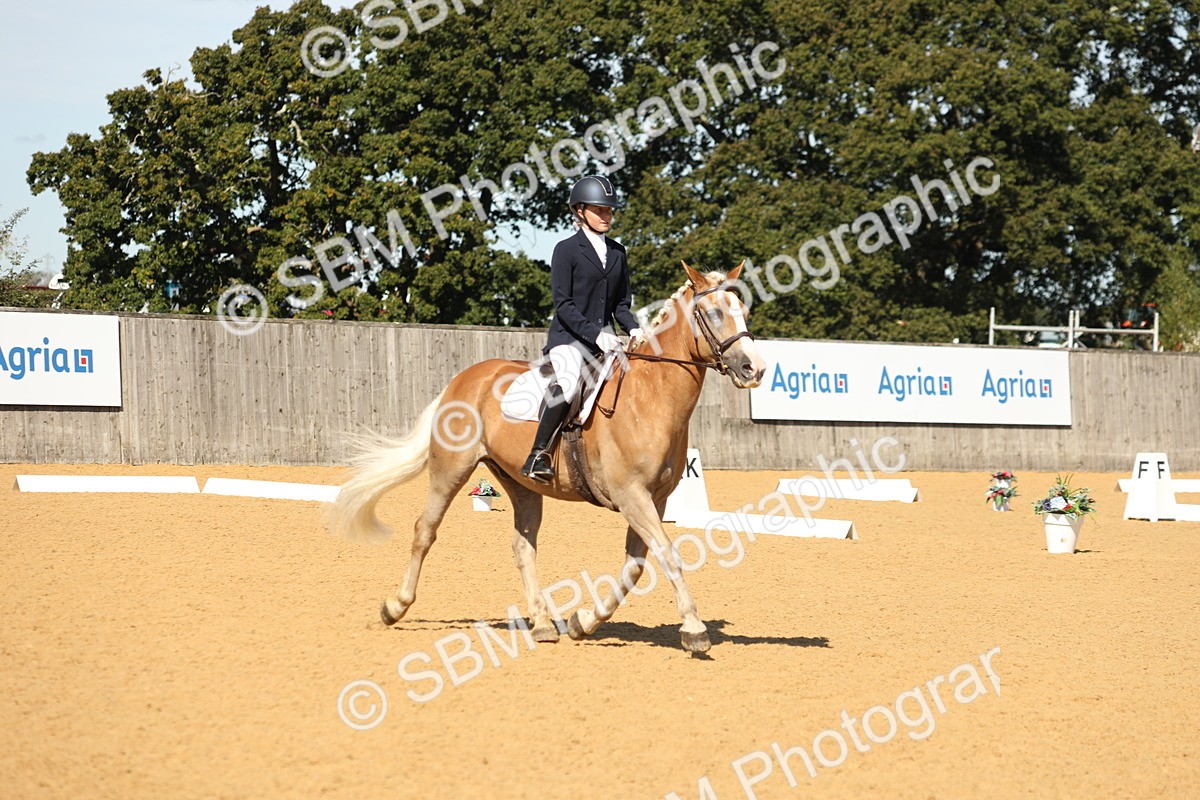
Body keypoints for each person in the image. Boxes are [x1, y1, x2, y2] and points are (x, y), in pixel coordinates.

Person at [520, 175, 642, 483]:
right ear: (579, 211)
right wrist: (595, 333)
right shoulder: (566, 250)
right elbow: (564, 305)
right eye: (599, 210)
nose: (606, 216)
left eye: (609, 211)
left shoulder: (618, 252)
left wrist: (635, 328)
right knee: (571, 382)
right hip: (569, 340)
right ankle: (538, 455)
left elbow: (621, 305)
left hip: (607, 343)